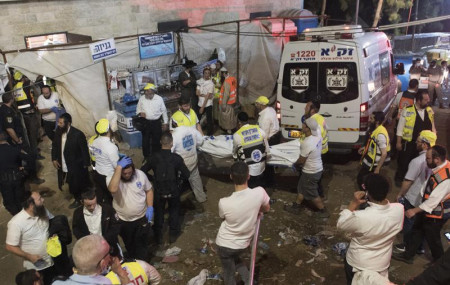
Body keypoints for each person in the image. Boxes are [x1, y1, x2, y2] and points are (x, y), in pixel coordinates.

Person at [337, 174, 403, 285]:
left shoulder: (361, 217)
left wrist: (353, 203)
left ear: (367, 193)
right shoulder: (399, 209)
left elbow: (341, 224)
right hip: (381, 263)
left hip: (358, 264)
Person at [393, 145, 450, 264]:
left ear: (437, 159)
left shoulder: (445, 178)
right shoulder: (441, 167)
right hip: (428, 210)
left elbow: (433, 201)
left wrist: (414, 210)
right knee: (417, 231)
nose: (426, 161)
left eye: (428, 159)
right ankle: (408, 255)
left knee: (433, 239)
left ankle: (440, 263)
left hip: (436, 214)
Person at [215, 161, 270, 285]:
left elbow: (223, 218)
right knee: (236, 259)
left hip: (225, 244)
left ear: (231, 177)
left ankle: (244, 280)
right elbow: (266, 208)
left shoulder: (224, 202)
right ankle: (248, 280)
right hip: (243, 243)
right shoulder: (260, 192)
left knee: (229, 272)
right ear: (248, 176)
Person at [141, 132, 190, 244]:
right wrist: (179, 181)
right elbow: (187, 174)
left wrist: (152, 178)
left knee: (159, 213)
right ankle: (173, 235)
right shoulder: (177, 158)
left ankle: (158, 237)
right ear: (172, 143)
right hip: (173, 190)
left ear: (160, 142)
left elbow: (142, 170)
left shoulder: (153, 157)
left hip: (158, 190)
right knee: (174, 212)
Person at [394, 130, 436, 253]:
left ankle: (407, 246)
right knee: (421, 225)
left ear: (424, 144)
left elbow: (408, 181)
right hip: (427, 199)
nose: (416, 143)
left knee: (410, 223)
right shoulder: (437, 159)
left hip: (414, 198)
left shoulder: (418, 161)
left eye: (418, 141)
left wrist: (400, 194)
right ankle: (419, 247)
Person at [107, 156, 154, 260]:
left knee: (143, 243)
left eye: (129, 172)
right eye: (124, 173)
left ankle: (144, 263)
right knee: (129, 243)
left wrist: (150, 207)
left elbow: (149, 190)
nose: (127, 175)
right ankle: (133, 261)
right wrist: (118, 168)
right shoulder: (112, 178)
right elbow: (113, 189)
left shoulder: (140, 175)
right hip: (124, 220)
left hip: (141, 217)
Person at [6, 191, 56, 285]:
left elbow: (51, 221)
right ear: (31, 204)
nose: (43, 200)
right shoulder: (16, 223)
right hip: (37, 267)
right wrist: (29, 256)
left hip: (52, 259)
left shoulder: (42, 210)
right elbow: (10, 246)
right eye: (40, 199)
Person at [284, 117, 329, 218]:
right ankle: (296, 207)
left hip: (311, 172)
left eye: (304, 124)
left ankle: (323, 211)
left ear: (308, 128)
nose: (302, 125)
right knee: (301, 188)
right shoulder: (317, 133)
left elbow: (301, 160)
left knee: (312, 193)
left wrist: (293, 164)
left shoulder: (307, 143)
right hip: (316, 167)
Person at [0, 92, 44, 185]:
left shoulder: (5, 109)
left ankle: (21, 178)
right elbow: (9, 129)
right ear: (11, 99)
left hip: (13, 140)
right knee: (30, 157)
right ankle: (33, 178)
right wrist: (17, 140)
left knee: (18, 160)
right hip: (16, 140)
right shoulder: (7, 111)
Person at [52, 235, 131, 285]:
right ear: (103, 264)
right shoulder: (104, 283)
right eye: (108, 252)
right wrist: (121, 273)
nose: (111, 255)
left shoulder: (57, 282)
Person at [395, 90, 435, 186]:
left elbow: (433, 126)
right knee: (404, 162)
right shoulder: (407, 110)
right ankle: (400, 178)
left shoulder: (429, 110)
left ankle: (415, 180)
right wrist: (398, 142)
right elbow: (400, 128)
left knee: (421, 164)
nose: (428, 102)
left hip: (424, 145)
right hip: (409, 143)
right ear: (418, 100)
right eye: (425, 100)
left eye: (428, 99)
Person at [51, 113, 90, 208]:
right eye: (58, 122)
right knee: (70, 181)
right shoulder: (58, 132)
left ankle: (79, 199)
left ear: (67, 123)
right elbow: (55, 146)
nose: (58, 125)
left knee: (77, 183)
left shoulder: (78, 134)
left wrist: (85, 165)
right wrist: (54, 159)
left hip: (75, 164)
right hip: (63, 162)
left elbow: (84, 151)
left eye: (61, 123)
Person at [171, 125, 207, 204]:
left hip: (182, 164)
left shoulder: (174, 135)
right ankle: (201, 198)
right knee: (195, 178)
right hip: (193, 159)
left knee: (177, 182)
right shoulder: (191, 129)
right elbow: (200, 141)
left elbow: (170, 151)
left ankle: (175, 202)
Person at [233, 112, 269, 189]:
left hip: (249, 170)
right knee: (260, 187)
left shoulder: (237, 135)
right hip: (261, 166)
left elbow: (234, 153)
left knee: (251, 188)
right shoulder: (259, 130)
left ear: (239, 122)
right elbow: (267, 149)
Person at [12, 71, 42, 160]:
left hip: (23, 115)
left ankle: (34, 150)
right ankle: (35, 154)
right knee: (32, 135)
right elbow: (36, 78)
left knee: (29, 134)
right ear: (22, 78)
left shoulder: (15, 87)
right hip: (30, 114)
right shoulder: (24, 85)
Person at [357, 111, 390, 190]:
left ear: (377, 121)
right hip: (370, 160)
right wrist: (364, 148)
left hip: (374, 163)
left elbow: (384, 153)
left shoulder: (380, 135)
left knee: (361, 179)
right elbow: (373, 144)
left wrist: (377, 168)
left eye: (371, 118)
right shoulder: (377, 130)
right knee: (365, 179)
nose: (369, 120)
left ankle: (366, 195)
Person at [89, 118, 119, 204]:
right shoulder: (111, 147)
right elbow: (116, 166)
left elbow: (94, 155)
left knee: (103, 195)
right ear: (109, 129)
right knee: (113, 198)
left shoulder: (94, 142)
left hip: (98, 173)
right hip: (109, 176)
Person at [136, 83, 169, 159]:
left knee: (156, 140)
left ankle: (156, 156)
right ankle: (146, 157)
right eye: (146, 91)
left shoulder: (159, 99)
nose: (146, 93)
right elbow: (137, 109)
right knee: (145, 141)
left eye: (148, 91)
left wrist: (165, 123)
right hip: (145, 123)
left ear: (153, 91)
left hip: (156, 123)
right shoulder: (142, 98)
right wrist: (140, 113)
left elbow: (164, 111)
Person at [0, 132, 29, 215]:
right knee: (20, 200)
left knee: (10, 203)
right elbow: (29, 158)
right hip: (17, 178)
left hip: (4, 182)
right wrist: (24, 168)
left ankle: (16, 216)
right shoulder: (15, 149)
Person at [218, 67, 238, 134]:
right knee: (231, 117)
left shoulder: (226, 82)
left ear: (223, 73)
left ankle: (228, 131)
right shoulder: (232, 79)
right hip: (232, 102)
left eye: (221, 73)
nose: (220, 74)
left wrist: (223, 104)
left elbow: (226, 94)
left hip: (226, 103)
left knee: (226, 118)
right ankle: (232, 128)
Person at [196, 67, 215, 135]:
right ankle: (197, 132)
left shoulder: (211, 84)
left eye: (208, 73)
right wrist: (205, 95)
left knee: (209, 119)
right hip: (200, 103)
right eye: (205, 73)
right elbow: (197, 93)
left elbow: (208, 97)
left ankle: (210, 134)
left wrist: (202, 107)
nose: (207, 75)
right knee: (197, 118)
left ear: (210, 75)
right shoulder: (199, 81)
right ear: (203, 73)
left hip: (208, 104)